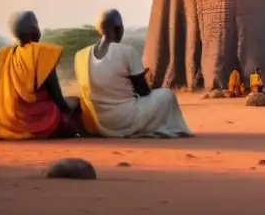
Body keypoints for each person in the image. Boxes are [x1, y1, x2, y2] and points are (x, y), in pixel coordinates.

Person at [75, 9, 193, 138]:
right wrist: (142, 77)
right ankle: (161, 128)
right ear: (118, 28)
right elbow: (143, 92)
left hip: (98, 122)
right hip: (126, 119)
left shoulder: (80, 55)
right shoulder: (127, 52)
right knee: (167, 95)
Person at [0, 11, 80, 140]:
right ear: (34, 29)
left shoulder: (1, 55)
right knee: (75, 104)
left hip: (3, 124)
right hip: (32, 124)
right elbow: (57, 96)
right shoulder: (40, 53)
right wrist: (67, 113)